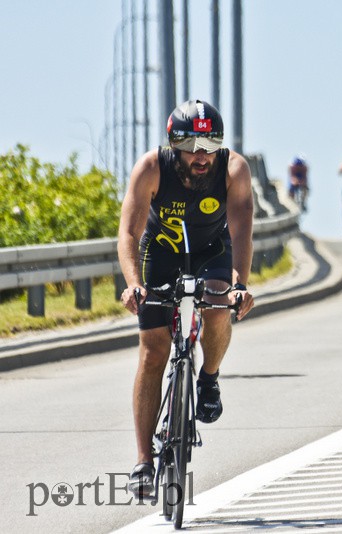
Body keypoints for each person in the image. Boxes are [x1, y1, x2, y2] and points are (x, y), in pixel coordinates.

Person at [118, 99, 255, 496]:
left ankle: (208, 377)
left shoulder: (233, 169)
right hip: (160, 251)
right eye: (192, 146)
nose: (201, 155)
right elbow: (128, 231)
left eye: (210, 145)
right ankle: (143, 462)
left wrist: (239, 284)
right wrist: (133, 283)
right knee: (152, 351)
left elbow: (242, 226)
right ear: (174, 144)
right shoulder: (151, 167)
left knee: (216, 308)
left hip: (213, 250)